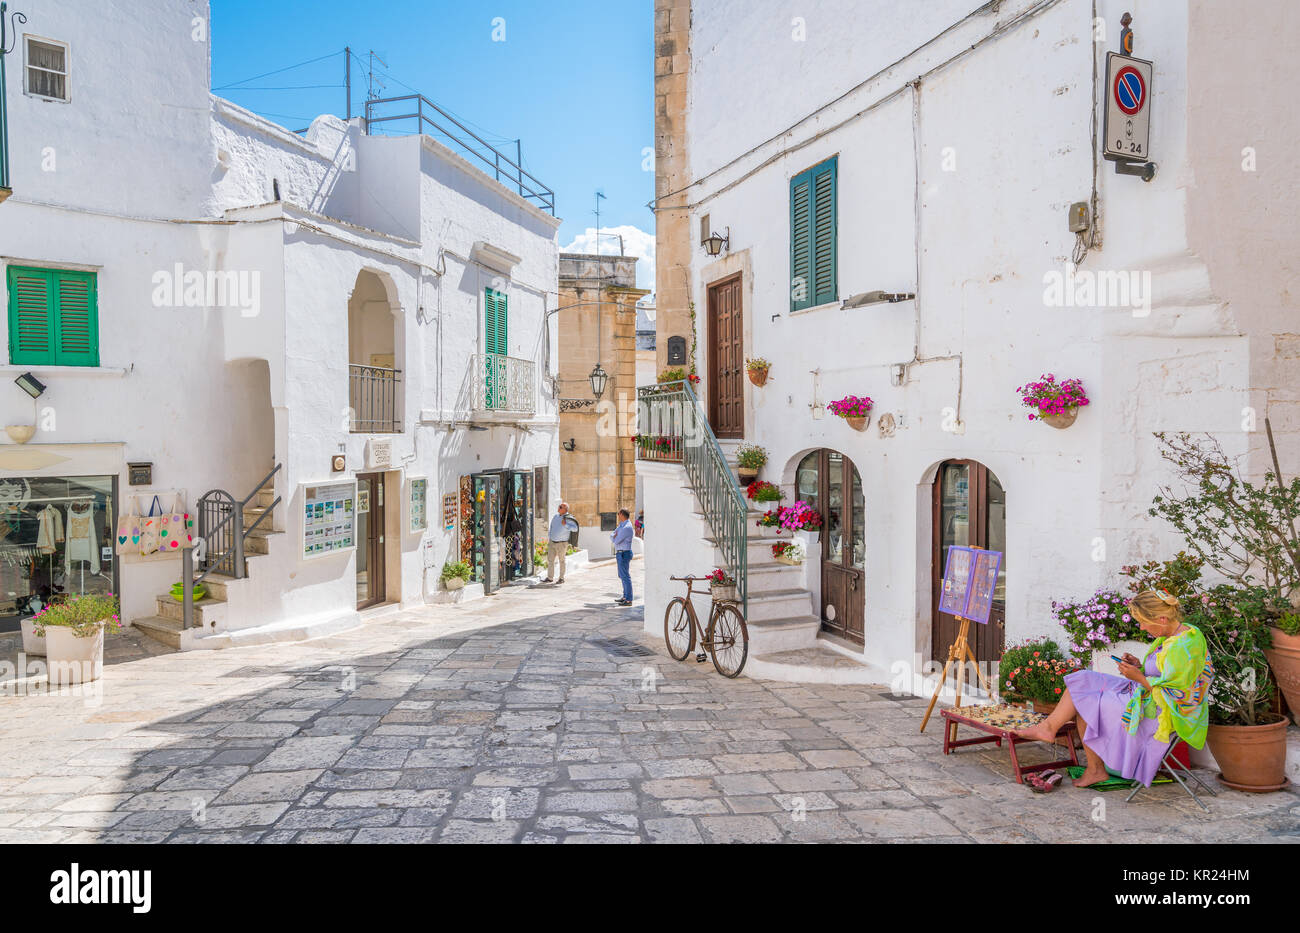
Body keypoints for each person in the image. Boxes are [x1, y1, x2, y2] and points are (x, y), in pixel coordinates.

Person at [1015, 589, 1213, 788]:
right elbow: (1166, 673)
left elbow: (1178, 694)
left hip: (1161, 712)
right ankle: (1049, 727)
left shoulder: (1184, 646)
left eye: (1144, 622)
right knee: (1083, 679)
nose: (1142, 628)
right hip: (1142, 691)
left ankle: (1095, 770)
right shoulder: (1176, 634)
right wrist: (1139, 667)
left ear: (1162, 619)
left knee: (1087, 703)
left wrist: (1139, 677)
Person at [541, 502, 574, 584]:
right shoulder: (555, 516)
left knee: (562, 561)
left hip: (562, 543)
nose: (558, 508)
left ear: (565, 509)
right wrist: (550, 536)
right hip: (552, 542)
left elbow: (575, 528)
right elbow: (551, 527)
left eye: (560, 507)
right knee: (550, 560)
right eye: (559, 506)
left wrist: (566, 525)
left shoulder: (569, 518)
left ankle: (561, 578)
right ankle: (550, 578)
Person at [611, 508, 634, 606]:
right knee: (622, 576)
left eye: (618, 514)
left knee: (625, 576)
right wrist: (614, 536)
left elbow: (615, 540)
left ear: (622, 514)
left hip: (624, 553)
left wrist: (614, 536)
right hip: (620, 553)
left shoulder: (627, 527)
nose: (618, 516)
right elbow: (612, 535)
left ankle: (628, 599)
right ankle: (625, 597)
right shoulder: (621, 525)